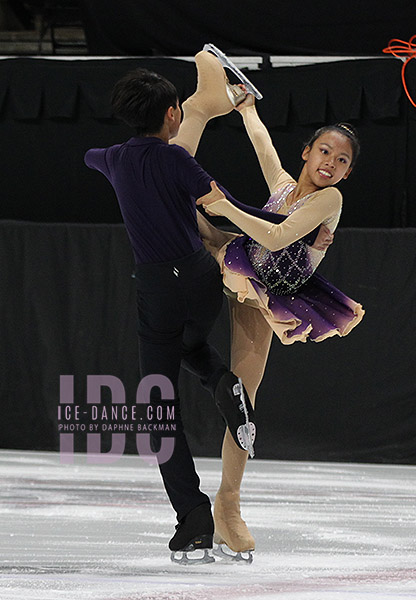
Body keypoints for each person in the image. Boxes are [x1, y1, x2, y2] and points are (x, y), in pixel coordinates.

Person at [171, 48, 365, 561]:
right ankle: (189, 120)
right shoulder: (284, 186)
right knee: (178, 204)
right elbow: (261, 145)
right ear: (308, 152)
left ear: (346, 174)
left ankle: (227, 504)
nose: (331, 163)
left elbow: (277, 239)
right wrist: (247, 107)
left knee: (243, 396)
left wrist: (222, 204)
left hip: (268, 298)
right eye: (325, 151)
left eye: (342, 160)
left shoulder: (330, 203)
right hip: (235, 262)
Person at [83, 57, 260, 564]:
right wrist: (271, 230)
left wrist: (114, 161)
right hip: (201, 281)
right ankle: (226, 385)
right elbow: (221, 204)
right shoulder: (178, 160)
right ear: (170, 115)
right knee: (193, 346)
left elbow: (90, 156)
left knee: (157, 409)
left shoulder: (113, 158)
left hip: (158, 288)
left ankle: (194, 522)